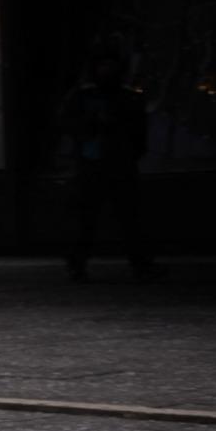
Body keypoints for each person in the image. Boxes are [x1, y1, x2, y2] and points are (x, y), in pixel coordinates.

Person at [58, 49, 154, 281]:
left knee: (127, 218)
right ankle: (77, 264)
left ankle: (139, 264)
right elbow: (68, 124)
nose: (106, 71)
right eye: (103, 66)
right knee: (88, 219)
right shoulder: (85, 97)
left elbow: (138, 134)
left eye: (110, 66)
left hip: (116, 162)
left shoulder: (125, 97)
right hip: (94, 163)